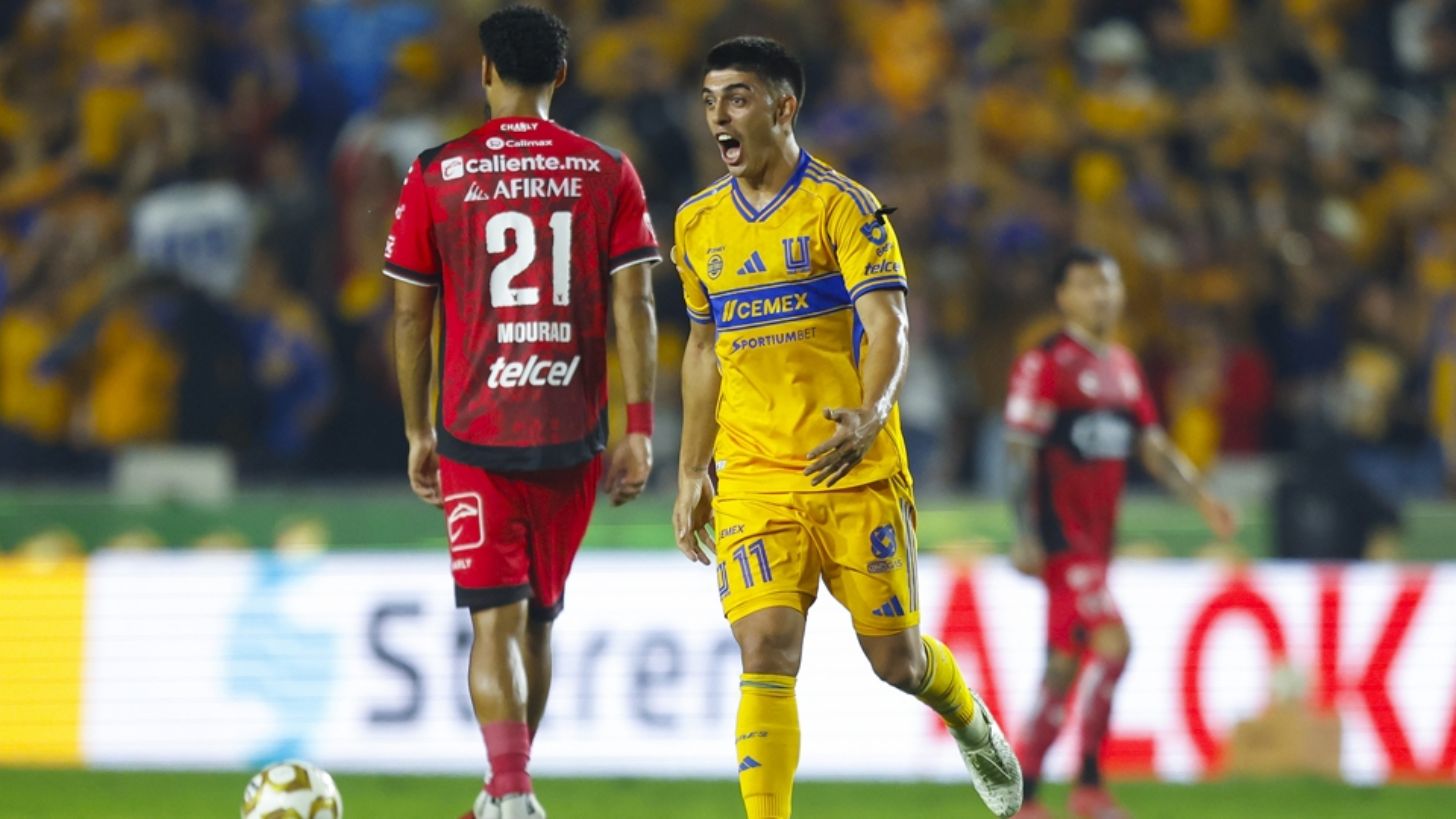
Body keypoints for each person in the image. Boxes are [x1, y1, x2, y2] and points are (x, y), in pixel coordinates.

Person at [671, 36, 1022, 819]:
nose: (718, 116)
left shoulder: (844, 207)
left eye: (737, 98)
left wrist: (873, 409)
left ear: (783, 107)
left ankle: (969, 718)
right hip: (753, 471)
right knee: (766, 645)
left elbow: (889, 321)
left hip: (850, 464)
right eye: (709, 101)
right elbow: (701, 348)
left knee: (896, 661)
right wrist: (693, 470)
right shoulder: (696, 222)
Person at [386, 7, 660, 819]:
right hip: (572, 432)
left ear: (485, 71)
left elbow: (410, 315)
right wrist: (640, 429)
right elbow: (636, 303)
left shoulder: (437, 172)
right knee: (537, 623)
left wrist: (417, 429)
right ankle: (508, 790)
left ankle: (508, 787)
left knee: (494, 624)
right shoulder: (608, 170)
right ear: (562, 76)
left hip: (476, 433)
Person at [1004, 248, 1237, 819]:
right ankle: (1088, 786)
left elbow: (1153, 447)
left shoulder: (1125, 367)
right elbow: (1019, 453)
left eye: (1108, 284)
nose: (1101, 295)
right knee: (1115, 643)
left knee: (1062, 667)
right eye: (1087, 285)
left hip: (1098, 545)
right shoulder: (1047, 362)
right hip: (1062, 541)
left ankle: (1022, 795)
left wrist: (1202, 497)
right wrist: (1025, 532)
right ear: (1063, 296)